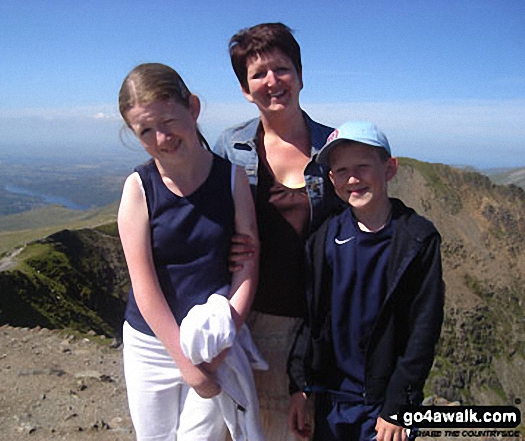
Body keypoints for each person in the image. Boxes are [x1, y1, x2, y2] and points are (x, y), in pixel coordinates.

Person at [213, 22, 343, 440]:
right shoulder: (229, 147)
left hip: (302, 327)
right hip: (240, 321)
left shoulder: (334, 149)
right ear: (244, 89)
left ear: (300, 75)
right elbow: (201, 219)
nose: (272, 82)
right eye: (258, 74)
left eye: (282, 69)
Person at [117, 63, 259, 441]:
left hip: (212, 340)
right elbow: (143, 286)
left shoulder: (232, 179)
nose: (161, 138)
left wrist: (225, 338)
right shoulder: (138, 188)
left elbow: (247, 264)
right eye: (145, 131)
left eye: (168, 121)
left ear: (192, 107)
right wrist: (187, 365)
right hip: (151, 345)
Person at [287, 121, 445, 441]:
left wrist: (399, 404)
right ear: (331, 180)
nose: (353, 178)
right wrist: (300, 387)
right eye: (342, 170)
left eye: (363, 166)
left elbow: (422, 332)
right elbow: (311, 319)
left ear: (389, 168)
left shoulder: (417, 240)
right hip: (331, 400)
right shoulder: (324, 239)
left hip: (384, 406)